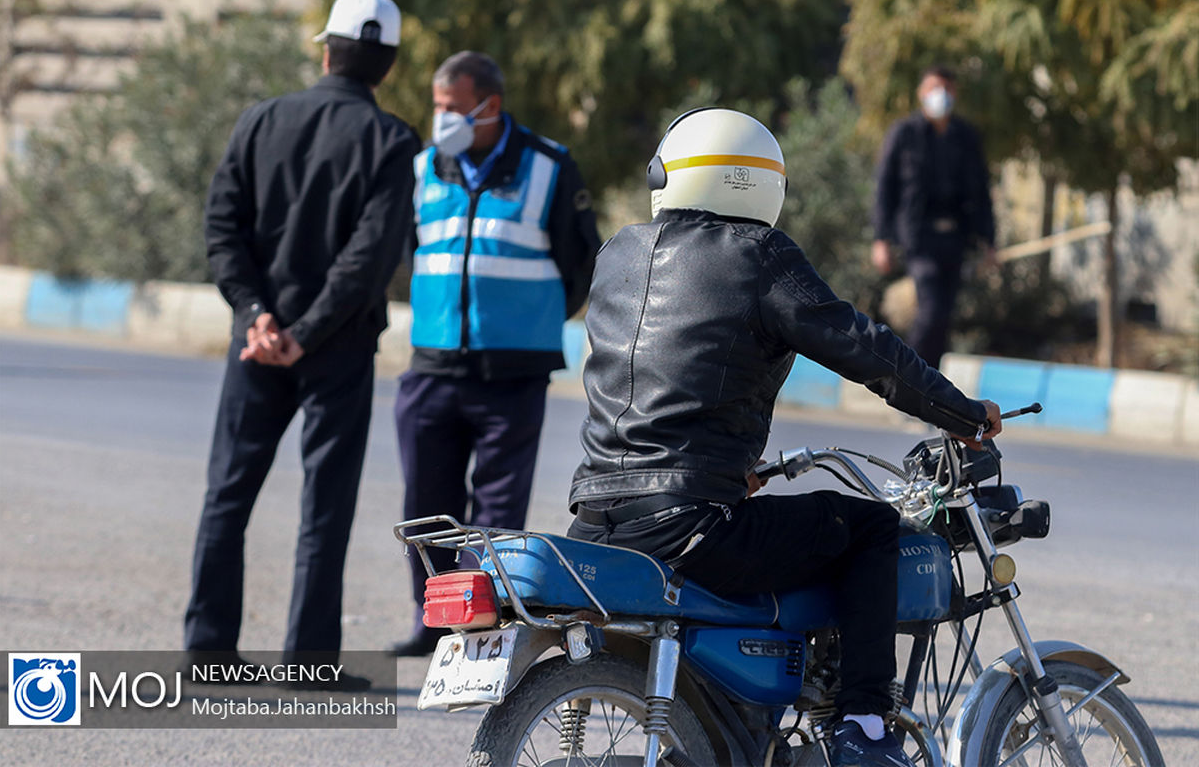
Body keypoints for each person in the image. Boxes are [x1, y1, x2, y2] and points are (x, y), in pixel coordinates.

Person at [568, 108, 1002, 767]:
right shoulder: (757, 255)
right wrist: (963, 416)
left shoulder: (618, 253)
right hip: (690, 522)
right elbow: (866, 350)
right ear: (755, 181)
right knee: (870, 529)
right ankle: (864, 726)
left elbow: (660, 378)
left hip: (596, 517)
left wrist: (725, 466)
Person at [184, 0, 419, 686]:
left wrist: (257, 315)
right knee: (326, 505)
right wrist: (308, 333)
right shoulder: (393, 141)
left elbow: (221, 229)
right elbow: (369, 259)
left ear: (326, 50)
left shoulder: (260, 120)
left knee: (228, 491)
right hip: (337, 348)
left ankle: (207, 653)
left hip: (255, 343)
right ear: (388, 65)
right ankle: (308, 666)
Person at [390, 51, 601, 658]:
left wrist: (533, 319)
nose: (441, 120)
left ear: (490, 106)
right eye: (438, 108)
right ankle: (431, 620)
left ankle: (480, 631)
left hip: (514, 370)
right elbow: (407, 251)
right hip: (432, 364)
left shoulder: (549, 167)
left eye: (452, 108)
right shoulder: (423, 167)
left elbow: (581, 264)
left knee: (495, 512)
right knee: (426, 508)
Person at [872, 65, 996, 368]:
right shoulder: (904, 133)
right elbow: (884, 187)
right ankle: (904, 379)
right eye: (933, 88)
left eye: (947, 89)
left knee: (943, 319)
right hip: (918, 239)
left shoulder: (966, 137)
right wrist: (881, 239)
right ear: (921, 93)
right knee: (931, 310)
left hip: (955, 238)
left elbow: (981, 192)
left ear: (955, 93)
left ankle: (931, 393)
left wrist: (989, 241)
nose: (940, 95)